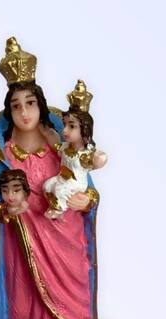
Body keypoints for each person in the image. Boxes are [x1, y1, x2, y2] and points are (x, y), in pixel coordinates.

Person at [0, 37, 100, 319]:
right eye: (16, 106)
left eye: (30, 103)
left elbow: (87, 188)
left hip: (65, 242)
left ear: (41, 105)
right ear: (9, 111)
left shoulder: (62, 149)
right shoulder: (4, 159)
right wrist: (5, 210)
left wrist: (86, 201)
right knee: (25, 302)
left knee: (71, 300)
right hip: (22, 246)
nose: (24, 112)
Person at [42, 80, 108, 219]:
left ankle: (59, 209)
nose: (64, 131)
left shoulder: (85, 154)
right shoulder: (66, 147)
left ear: (84, 129)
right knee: (47, 186)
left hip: (76, 184)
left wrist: (99, 157)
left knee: (60, 190)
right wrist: (47, 133)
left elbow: (99, 159)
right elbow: (55, 144)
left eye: (71, 126)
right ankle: (54, 204)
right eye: (65, 125)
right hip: (62, 178)